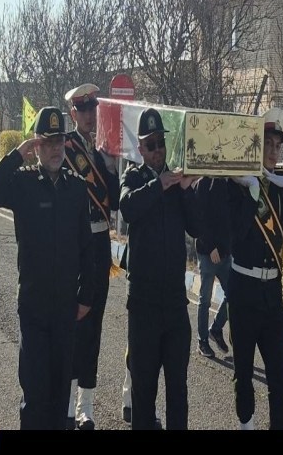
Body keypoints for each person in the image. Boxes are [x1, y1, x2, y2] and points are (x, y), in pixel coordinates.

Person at [0, 106, 96, 430]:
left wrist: (86, 295)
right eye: (47, 142)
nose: (55, 149)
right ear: (37, 145)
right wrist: (18, 154)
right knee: (35, 392)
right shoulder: (24, 183)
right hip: (33, 306)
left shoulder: (77, 188)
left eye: (59, 142)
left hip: (66, 308)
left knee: (60, 392)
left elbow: (87, 247)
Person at [227, 107, 283, 430]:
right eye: (267, 143)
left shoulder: (280, 184)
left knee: (280, 376)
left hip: (271, 294)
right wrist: (252, 193)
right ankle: (246, 424)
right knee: (243, 373)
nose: (273, 150)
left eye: (277, 145)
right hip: (244, 289)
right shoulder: (239, 184)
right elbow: (235, 233)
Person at [119, 107, 200, 430]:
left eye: (161, 143)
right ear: (140, 149)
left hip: (175, 303)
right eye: (151, 145)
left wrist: (187, 190)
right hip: (144, 304)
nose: (157, 151)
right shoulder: (134, 177)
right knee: (144, 389)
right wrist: (159, 185)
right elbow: (127, 209)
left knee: (178, 388)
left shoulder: (176, 180)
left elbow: (196, 227)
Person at [60, 83, 120, 431]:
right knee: (74, 325)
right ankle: (67, 403)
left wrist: (110, 166)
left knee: (94, 325)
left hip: (99, 245)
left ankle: (86, 407)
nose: (88, 115)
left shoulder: (100, 151)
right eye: (82, 110)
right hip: (73, 245)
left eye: (91, 109)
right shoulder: (65, 147)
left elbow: (117, 201)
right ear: (73, 113)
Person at [194, 177, 232, 358]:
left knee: (233, 293)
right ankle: (202, 341)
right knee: (205, 300)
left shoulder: (229, 182)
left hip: (226, 253)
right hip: (207, 253)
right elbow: (198, 219)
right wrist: (210, 247)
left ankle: (216, 329)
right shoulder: (204, 183)